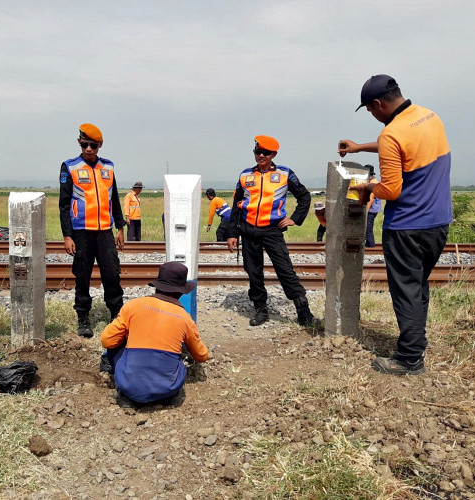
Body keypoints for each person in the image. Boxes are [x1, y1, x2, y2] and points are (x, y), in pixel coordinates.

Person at [340, 74, 452, 376]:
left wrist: (367, 188)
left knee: (406, 291)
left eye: (369, 110)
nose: (372, 115)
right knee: (417, 286)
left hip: (407, 227)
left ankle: (409, 359)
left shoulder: (392, 133)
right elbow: (404, 147)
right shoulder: (429, 117)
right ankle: (417, 342)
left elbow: (391, 190)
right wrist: (359, 147)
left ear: (378, 104)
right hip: (438, 223)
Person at [226, 135, 317, 327]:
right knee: (253, 272)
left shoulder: (284, 173)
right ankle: (261, 309)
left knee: (285, 270)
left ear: (273, 154)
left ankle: (303, 311)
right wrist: (232, 233)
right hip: (248, 230)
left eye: (265, 153)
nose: (260, 155)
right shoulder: (245, 175)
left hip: (272, 230)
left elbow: (304, 196)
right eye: (257, 152)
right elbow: (236, 205)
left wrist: (294, 219)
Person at [100, 261, 209, 408]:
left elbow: (107, 341)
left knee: (116, 347)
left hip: (129, 388)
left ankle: (127, 391)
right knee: (179, 359)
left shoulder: (133, 306)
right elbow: (202, 356)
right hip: (167, 390)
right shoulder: (185, 318)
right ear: (181, 292)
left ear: (157, 286)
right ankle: (166, 396)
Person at [59, 123, 126, 338]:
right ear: (79, 143)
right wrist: (67, 235)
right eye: (85, 144)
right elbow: (63, 204)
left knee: (112, 274)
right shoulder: (69, 167)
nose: (89, 149)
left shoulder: (108, 167)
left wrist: (120, 227)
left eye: (93, 146)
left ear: (100, 146)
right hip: (81, 232)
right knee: (82, 276)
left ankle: (116, 315)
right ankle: (83, 317)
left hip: (105, 231)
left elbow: (114, 198)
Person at [365, 165, 382, 248]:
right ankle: (368, 244)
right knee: (367, 228)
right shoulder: (375, 181)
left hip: (371, 210)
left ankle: (370, 245)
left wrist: (366, 212)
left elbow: (371, 198)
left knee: (368, 229)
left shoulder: (373, 183)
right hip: (374, 209)